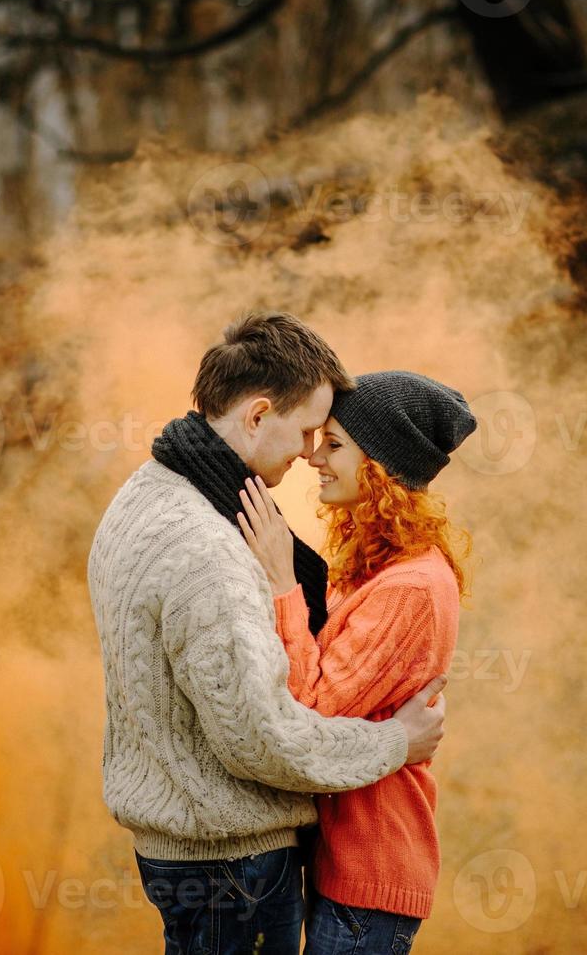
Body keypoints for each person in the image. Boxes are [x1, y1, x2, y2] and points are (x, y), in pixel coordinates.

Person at [87, 314, 450, 955]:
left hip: (192, 851)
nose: (309, 453)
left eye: (328, 439)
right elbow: (264, 739)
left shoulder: (141, 498)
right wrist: (397, 741)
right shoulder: (209, 548)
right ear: (257, 417)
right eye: (309, 431)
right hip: (234, 862)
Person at [237, 370, 476, 955]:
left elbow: (313, 705)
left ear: (383, 466)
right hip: (344, 865)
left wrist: (282, 583)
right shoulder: (382, 565)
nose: (315, 457)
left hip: (370, 877)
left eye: (336, 444)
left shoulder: (411, 587)